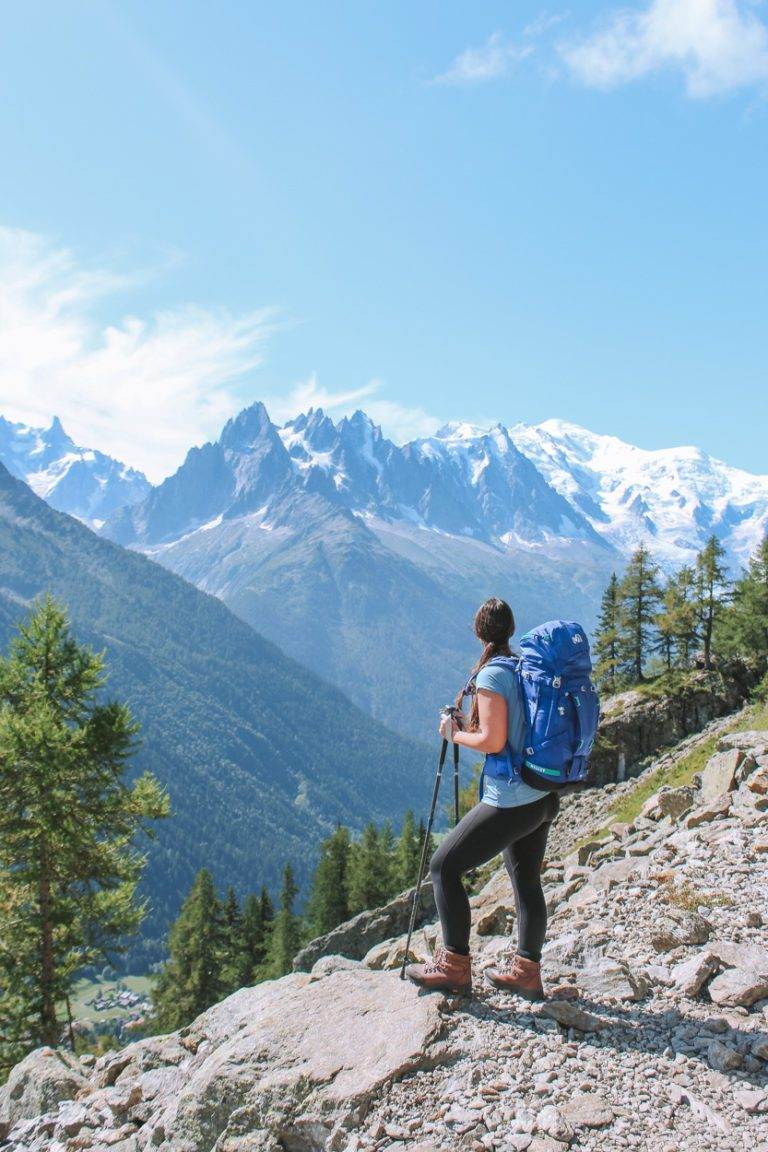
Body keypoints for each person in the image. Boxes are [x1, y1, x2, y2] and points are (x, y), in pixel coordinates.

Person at [406, 597, 559, 999]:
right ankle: (527, 972)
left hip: (511, 799)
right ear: (509, 630)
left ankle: (454, 966)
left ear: (479, 632)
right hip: (541, 795)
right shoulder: (523, 666)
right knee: (526, 879)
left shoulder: (492, 674)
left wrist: (453, 734)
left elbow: (492, 740)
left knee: (444, 867)